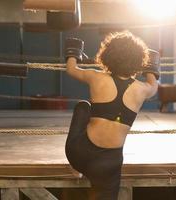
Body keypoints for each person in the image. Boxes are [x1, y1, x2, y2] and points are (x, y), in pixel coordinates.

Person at [64, 30, 160, 200]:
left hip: (78, 153)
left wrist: (74, 51)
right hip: (108, 163)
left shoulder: (96, 77)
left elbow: (71, 69)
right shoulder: (142, 89)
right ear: (139, 61)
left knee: (83, 106)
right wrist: (152, 66)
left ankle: (76, 167)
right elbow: (153, 85)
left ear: (107, 56)